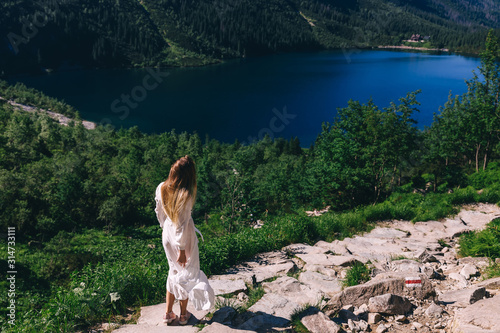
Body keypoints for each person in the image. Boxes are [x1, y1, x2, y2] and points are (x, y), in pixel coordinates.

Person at [154, 155, 214, 325]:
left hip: (167, 233)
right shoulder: (185, 195)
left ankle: (167, 313)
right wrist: (181, 249)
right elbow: (181, 225)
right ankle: (182, 316)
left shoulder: (161, 187)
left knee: (173, 272)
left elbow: (159, 211)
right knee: (186, 275)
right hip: (183, 239)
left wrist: (165, 228)